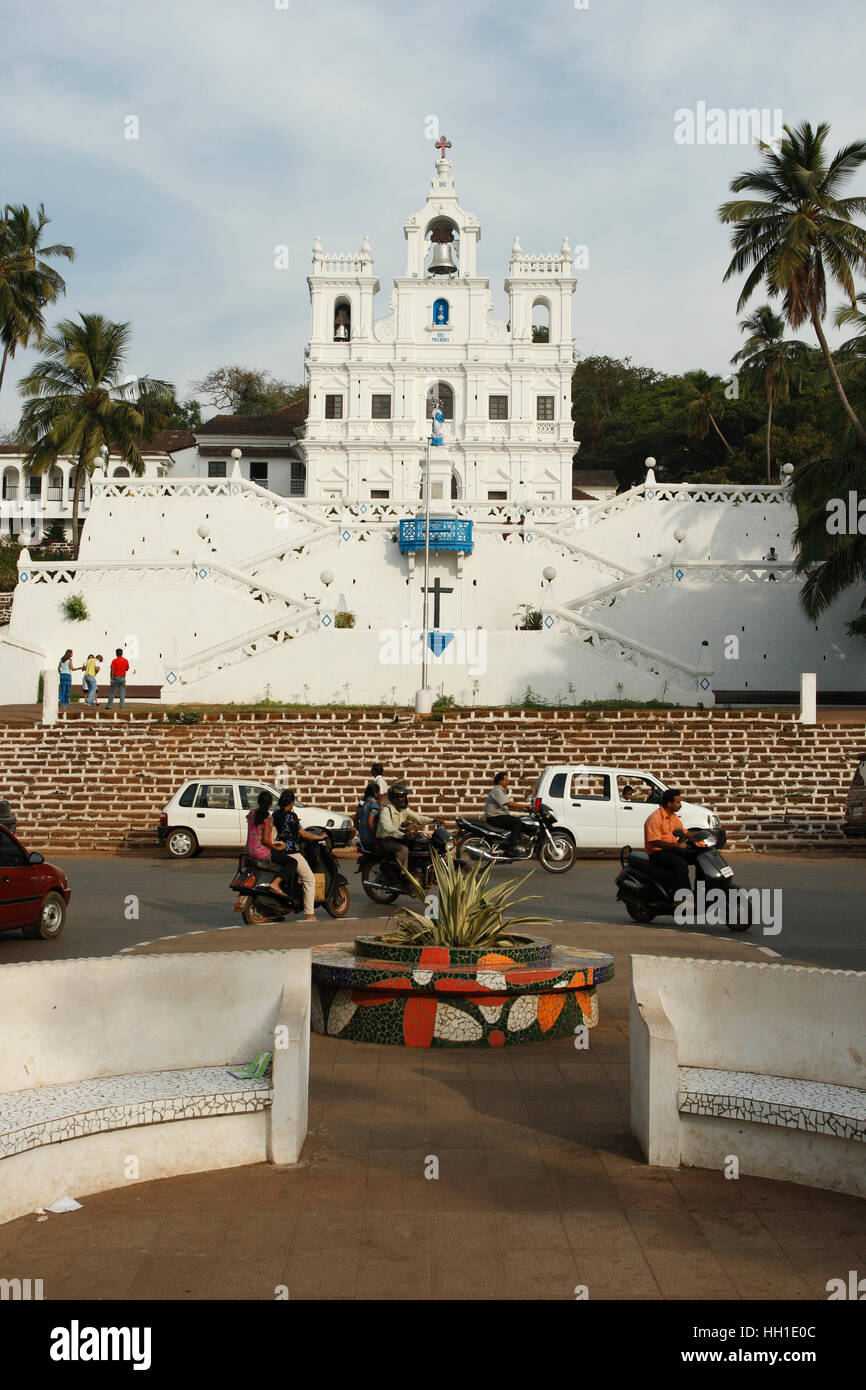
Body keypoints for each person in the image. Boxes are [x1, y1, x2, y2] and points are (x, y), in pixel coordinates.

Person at [273, 789, 325, 921]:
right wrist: (319, 837)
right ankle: (310, 914)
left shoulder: (275, 814)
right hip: (292, 852)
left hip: (278, 850)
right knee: (309, 879)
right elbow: (303, 834)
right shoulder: (292, 816)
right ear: (291, 803)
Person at [245, 790, 292, 902]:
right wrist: (278, 847)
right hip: (262, 852)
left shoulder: (251, 814)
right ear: (270, 803)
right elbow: (266, 840)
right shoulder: (268, 818)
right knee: (292, 862)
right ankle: (275, 884)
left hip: (249, 850)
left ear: (258, 801)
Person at [644, 788, 691, 894]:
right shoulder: (655, 818)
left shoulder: (673, 817)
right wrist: (676, 845)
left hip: (670, 849)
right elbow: (654, 841)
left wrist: (703, 835)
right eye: (678, 802)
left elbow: (684, 832)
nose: (680, 804)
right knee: (681, 863)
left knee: (695, 856)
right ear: (669, 804)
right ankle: (681, 897)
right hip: (657, 852)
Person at [376, 782, 427, 874]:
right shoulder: (386, 811)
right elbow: (389, 828)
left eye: (404, 796)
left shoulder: (403, 809)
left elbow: (418, 818)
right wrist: (403, 835)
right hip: (388, 840)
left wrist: (434, 820)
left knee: (421, 841)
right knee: (403, 849)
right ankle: (405, 875)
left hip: (398, 837)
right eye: (401, 797)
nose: (403, 799)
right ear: (394, 798)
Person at [484, 770, 529, 855]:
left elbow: (507, 804)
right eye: (506, 780)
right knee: (517, 822)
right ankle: (511, 848)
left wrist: (523, 809)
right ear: (500, 781)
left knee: (522, 823)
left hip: (499, 816)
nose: (508, 782)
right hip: (495, 818)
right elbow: (508, 803)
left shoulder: (499, 790)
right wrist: (524, 806)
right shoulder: (497, 790)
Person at [357, 780, 381, 851]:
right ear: (375, 793)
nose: (380, 793)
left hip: (362, 839)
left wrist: (361, 831)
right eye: (379, 791)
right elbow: (370, 822)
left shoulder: (361, 804)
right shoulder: (374, 805)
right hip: (371, 840)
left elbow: (355, 820)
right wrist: (376, 840)